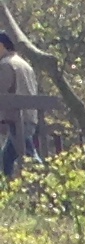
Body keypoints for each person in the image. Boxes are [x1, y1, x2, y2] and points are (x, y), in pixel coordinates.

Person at [0, 30, 41, 184]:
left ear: (2, 45)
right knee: (7, 158)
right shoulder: (25, 64)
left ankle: (48, 180)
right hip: (30, 116)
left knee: (29, 155)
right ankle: (8, 189)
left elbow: (2, 89)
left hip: (16, 117)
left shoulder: (6, 64)